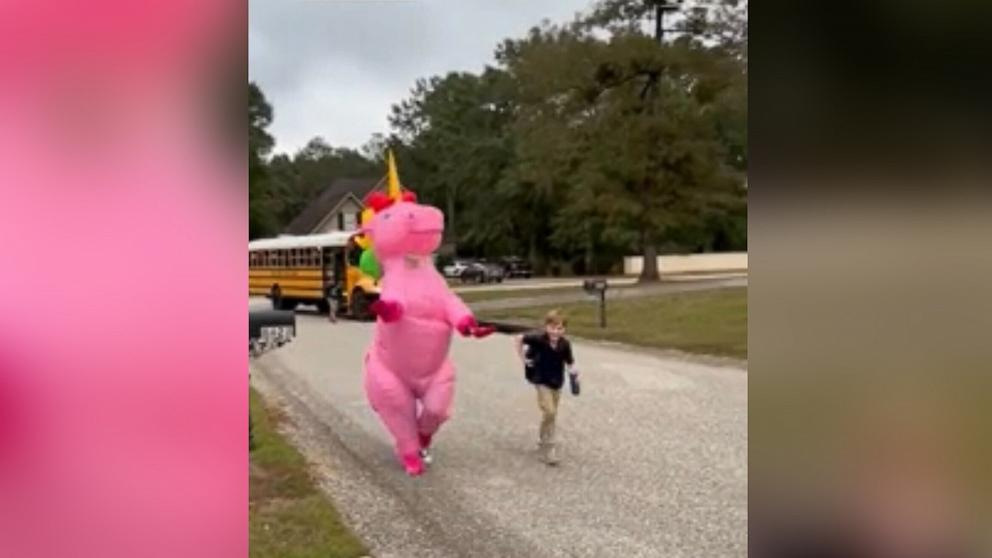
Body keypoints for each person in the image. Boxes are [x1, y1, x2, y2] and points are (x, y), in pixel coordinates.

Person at [514, 309, 578, 466]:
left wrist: (573, 372)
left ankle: (543, 439)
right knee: (550, 411)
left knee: (551, 414)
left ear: (564, 329)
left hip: (556, 381)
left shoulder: (565, 344)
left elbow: (569, 361)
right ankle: (548, 450)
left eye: (560, 328)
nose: (556, 332)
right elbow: (518, 338)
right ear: (546, 327)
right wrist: (523, 359)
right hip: (540, 380)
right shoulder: (538, 339)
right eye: (553, 327)